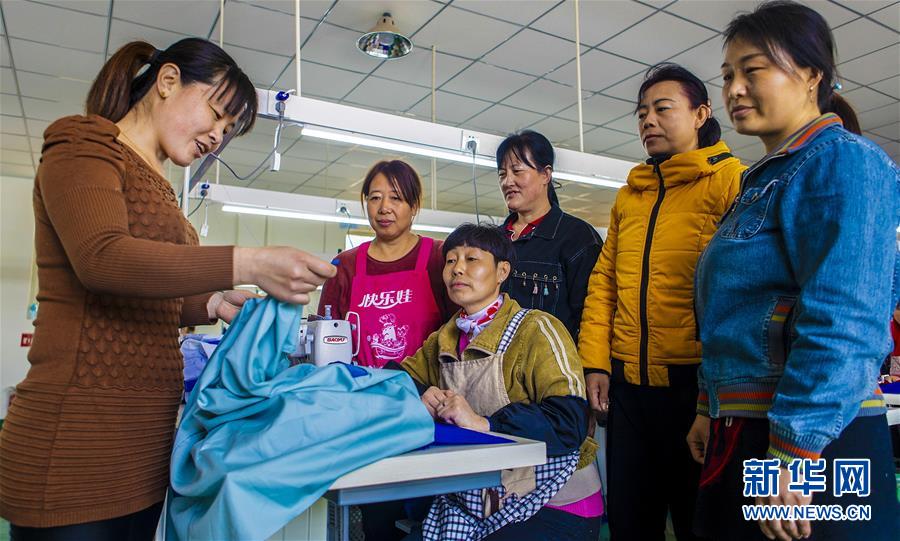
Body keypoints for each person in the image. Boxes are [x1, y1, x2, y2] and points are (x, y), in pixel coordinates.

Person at [0, 39, 336, 540]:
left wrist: (213, 302)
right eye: (217, 115)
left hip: (142, 448)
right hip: (76, 448)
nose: (217, 137)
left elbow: (145, 295)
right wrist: (247, 262)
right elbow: (101, 259)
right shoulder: (84, 143)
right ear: (168, 81)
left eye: (228, 131)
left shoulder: (161, 185)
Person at [686, 2, 900, 540]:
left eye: (753, 70)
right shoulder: (763, 181)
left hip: (812, 441)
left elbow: (846, 319)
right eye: (728, 75)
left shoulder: (841, 160)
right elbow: (736, 314)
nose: (734, 89)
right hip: (751, 427)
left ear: (811, 75)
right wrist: (709, 405)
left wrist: (793, 454)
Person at [578, 62, 744, 540]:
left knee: (700, 522)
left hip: (697, 387)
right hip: (628, 388)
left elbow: (739, 294)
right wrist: (596, 362)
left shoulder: (732, 182)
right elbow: (604, 284)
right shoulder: (630, 197)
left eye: (662, 109)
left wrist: (714, 397)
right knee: (631, 521)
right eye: (642, 113)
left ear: (701, 114)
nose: (648, 120)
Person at [399, 223, 602, 541]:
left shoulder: (537, 329)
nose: (457, 269)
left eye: (472, 259)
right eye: (451, 260)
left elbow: (569, 423)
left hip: (555, 501)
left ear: (502, 271)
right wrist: (421, 395)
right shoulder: (444, 338)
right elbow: (400, 380)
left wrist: (485, 423)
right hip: (479, 499)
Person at [317, 159, 455, 540]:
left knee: (434, 520)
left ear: (415, 205)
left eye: (396, 198)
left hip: (430, 413)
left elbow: (461, 332)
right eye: (375, 197)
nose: (384, 208)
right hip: (369, 416)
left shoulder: (439, 258)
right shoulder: (345, 266)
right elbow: (325, 342)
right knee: (379, 521)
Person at [497, 130, 602, 342]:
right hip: (492, 359)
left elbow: (593, 317)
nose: (508, 181)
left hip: (549, 360)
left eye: (517, 171)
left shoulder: (578, 238)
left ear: (545, 175)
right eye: (502, 174)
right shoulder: (492, 241)